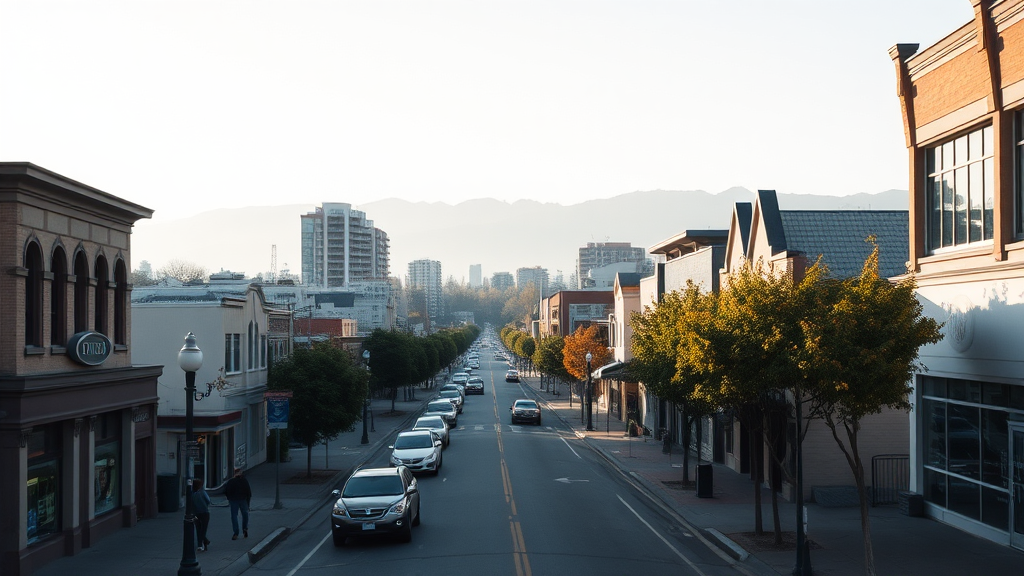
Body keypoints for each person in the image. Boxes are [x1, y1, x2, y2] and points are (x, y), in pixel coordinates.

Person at [223, 468, 251, 540]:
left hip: (233, 500)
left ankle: (236, 533)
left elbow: (226, 491)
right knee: (245, 514)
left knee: (234, 516)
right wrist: (248, 502)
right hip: (243, 499)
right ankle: (245, 528)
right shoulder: (244, 481)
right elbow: (248, 492)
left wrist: (229, 498)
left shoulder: (231, 481)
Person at [192, 479, 211, 551]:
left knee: (198, 528)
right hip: (204, 512)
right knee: (203, 529)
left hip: (195, 514)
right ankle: (204, 542)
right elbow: (208, 500)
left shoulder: (191, 494)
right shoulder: (202, 492)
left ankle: (200, 545)